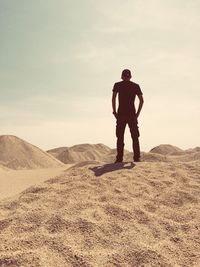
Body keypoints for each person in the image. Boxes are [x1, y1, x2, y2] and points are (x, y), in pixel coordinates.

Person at [112, 69, 144, 163]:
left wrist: (114, 112)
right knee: (134, 137)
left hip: (121, 114)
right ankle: (136, 158)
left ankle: (119, 159)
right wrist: (137, 114)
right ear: (130, 76)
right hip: (131, 115)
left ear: (122, 76)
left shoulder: (117, 85)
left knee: (120, 137)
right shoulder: (135, 86)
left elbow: (113, 99)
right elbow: (142, 100)